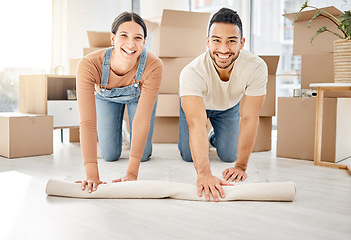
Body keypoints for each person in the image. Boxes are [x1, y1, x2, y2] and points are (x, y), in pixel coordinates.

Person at [178, 8, 268, 202]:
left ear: (242, 43)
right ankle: (201, 136)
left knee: (228, 155)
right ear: (208, 41)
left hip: (228, 107)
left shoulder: (256, 67)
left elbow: (250, 117)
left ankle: (213, 136)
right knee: (188, 155)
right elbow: (196, 123)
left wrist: (241, 166)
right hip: (197, 107)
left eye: (231, 41)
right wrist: (204, 173)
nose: (224, 49)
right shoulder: (192, 72)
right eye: (216, 40)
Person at [76, 12, 163, 193]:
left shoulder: (154, 65)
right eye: (124, 36)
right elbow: (87, 123)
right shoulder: (89, 64)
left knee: (144, 155)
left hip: (137, 98)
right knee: (109, 155)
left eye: (138, 38)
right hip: (105, 97)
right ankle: (122, 133)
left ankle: (128, 135)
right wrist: (92, 175)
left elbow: (141, 121)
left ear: (144, 42)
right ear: (113, 38)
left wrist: (131, 173)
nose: (131, 44)